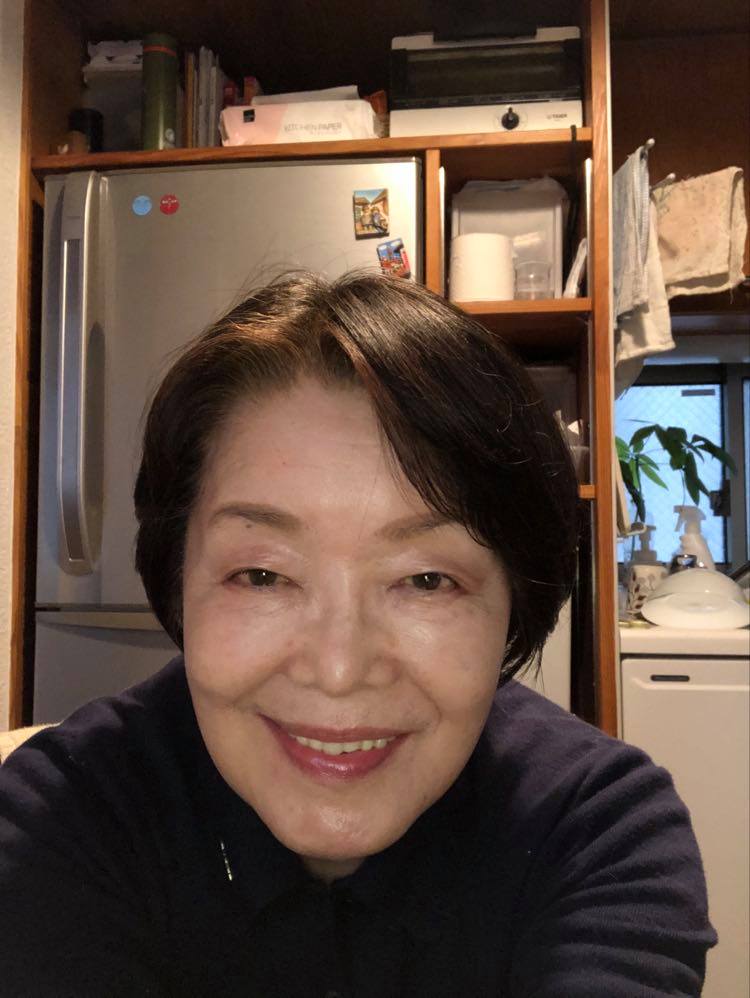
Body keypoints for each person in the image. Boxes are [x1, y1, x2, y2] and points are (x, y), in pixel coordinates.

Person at [0, 272, 715, 996]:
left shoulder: (599, 834)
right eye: (262, 575)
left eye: (426, 580)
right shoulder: (63, 812)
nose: (339, 669)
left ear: (515, 603)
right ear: (177, 577)